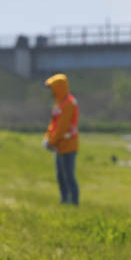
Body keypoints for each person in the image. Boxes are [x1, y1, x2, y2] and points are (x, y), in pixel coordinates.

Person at [42, 73, 79, 206]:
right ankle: (64, 200)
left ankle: (74, 202)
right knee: (60, 176)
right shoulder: (59, 103)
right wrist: (47, 137)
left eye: (52, 88)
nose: (51, 91)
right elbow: (54, 124)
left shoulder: (69, 103)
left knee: (69, 176)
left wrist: (51, 142)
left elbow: (63, 127)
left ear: (58, 88)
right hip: (58, 146)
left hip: (68, 145)